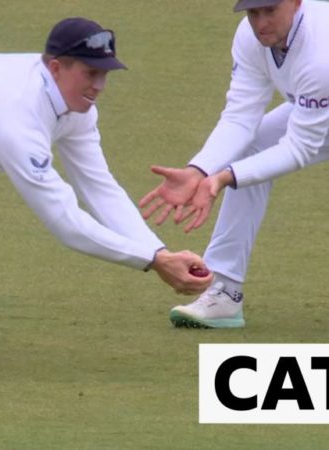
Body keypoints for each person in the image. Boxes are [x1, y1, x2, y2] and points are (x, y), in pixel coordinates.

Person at [0, 17, 213, 306]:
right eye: (90, 73)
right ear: (56, 67)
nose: (99, 86)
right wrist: (151, 261)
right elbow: (65, 222)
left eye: (105, 74)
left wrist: (160, 254)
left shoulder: (75, 110)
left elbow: (100, 188)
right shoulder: (16, 114)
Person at [140, 0, 329, 328]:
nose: (261, 23)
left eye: (270, 10)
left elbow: (299, 147)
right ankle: (224, 292)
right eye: (254, 12)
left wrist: (225, 177)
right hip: (318, 107)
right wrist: (198, 171)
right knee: (251, 147)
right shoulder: (251, 37)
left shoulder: (320, 51)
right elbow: (241, 117)